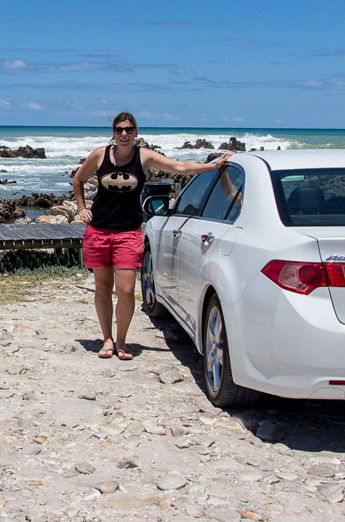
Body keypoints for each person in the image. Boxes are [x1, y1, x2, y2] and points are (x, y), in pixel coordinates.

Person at [72, 112, 230, 360]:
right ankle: (107, 339)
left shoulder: (144, 156)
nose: (124, 134)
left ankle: (122, 341)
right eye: (119, 129)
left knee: (125, 291)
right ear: (113, 132)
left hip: (128, 232)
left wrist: (214, 165)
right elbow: (78, 179)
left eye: (129, 129)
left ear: (136, 132)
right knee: (102, 288)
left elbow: (179, 167)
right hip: (99, 231)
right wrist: (82, 208)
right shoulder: (100, 154)